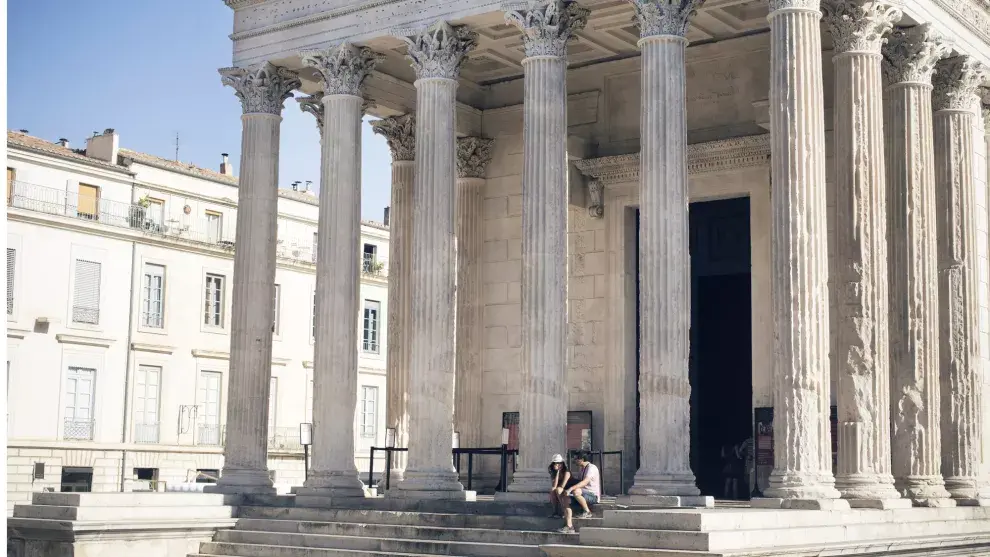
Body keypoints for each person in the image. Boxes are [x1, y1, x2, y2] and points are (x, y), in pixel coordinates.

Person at [558, 451, 600, 534]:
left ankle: (587, 512)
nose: (574, 461)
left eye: (576, 459)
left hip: (592, 496)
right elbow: (578, 482)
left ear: (581, 459)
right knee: (565, 499)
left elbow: (584, 482)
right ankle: (569, 526)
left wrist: (570, 489)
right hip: (582, 494)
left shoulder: (591, 468)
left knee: (576, 491)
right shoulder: (582, 469)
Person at [547, 454, 570, 519]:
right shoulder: (553, 472)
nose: (558, 465)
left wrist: (559, 471)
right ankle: (555, 512)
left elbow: (563, 485)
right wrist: (557, 472)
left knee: (558, 490)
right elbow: (554, 485)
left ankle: (563, 511)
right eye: (556, 463)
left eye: (560, 463)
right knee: (553, 490)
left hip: (567, 488)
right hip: (559, 489)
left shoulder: (567, 472)